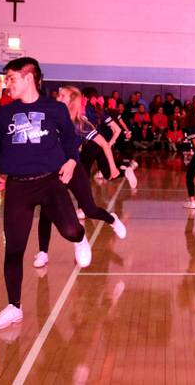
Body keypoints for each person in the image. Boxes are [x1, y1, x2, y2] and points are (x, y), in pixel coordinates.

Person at [0, 57, 90, 330]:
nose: (7, 84)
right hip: (18, 187)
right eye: (6, 79)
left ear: (29, 78)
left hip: (50, 182)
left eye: (12, 79)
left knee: (70, 230)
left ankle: (80, 238)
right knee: (14, 249)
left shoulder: (55, 109)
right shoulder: (5, 112)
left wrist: (71, 161)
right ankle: (14, 307)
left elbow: (70, 142)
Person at [33, 85, 127, 269]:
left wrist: (113, 167)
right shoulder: (49, 119)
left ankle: (112, 219)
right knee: (46, 211)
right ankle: (43, 252)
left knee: (89, 209)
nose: (57, 97)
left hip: (74, 169)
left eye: (62, 95)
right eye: (58, 94)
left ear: (72, 101)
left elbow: (105, 145)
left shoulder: (80, 123)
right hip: (53, 172)